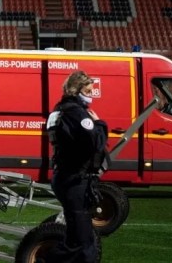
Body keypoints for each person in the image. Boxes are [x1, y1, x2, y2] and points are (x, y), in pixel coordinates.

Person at [45, 71, 108, 263]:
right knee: (82, 242)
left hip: (65, 177)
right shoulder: (76, 112)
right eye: (88, 90)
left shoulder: (60, 109)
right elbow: (95, 142)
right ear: (76, 89)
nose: (91, 95)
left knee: (77, 237)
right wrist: (100, 124)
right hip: (73, 179)